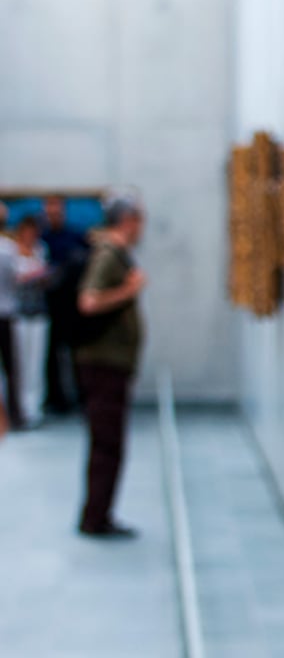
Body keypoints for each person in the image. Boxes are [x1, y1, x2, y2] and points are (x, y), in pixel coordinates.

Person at [76, 192, 146, 539]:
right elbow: (89, 302)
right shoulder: (109, 254)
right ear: (128, 219)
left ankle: (99, 514)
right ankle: (95, 517)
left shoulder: (114, 253)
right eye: (140, 218)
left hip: (110, 364)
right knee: (106, 443)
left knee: (108, 442)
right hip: (104, 363)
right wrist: (129, 291)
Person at [41, 196, 90, 415]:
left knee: (76, 354)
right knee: (51, 355)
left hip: (73, 306)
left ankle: (80, 397)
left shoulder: (75, 237)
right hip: (49, 305)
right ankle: (56, 399)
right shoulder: (42, 238)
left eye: (57, 210)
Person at [13, 216, 51, 429]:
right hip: (18, 313)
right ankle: (19, 407)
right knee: (19, 362)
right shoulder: (11, 252)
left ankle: (34, 406)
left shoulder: (40, 250)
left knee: (36, 361)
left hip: (38, 312)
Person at [0, 203, 23, 431]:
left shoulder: (8, 247)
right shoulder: (8, 248)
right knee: (11, 369)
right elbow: (17, 277)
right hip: (6, 315)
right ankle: (14, 416)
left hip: (6, 312)